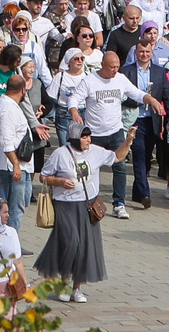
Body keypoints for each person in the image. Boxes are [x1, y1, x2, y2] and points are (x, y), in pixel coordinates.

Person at [33, 125, 110, 304]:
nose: (88, 140)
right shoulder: (60, 154)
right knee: (71, 243)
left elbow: (117, 157)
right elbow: (43, 177)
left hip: (87, 205)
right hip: (65, 205)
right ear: (75, 138)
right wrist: (59, 181)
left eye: (89, 136)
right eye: (84, 137)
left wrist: (129, 140)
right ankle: (63, 283)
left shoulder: (96, 152)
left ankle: (76, 288)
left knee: (84, 248)